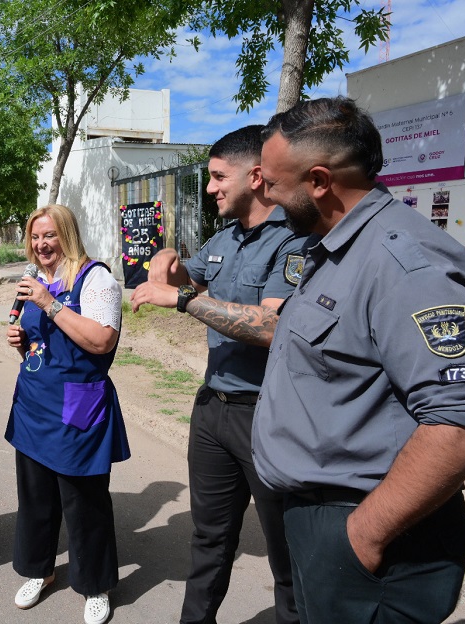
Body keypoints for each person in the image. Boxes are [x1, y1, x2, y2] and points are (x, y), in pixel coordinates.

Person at [252, 96, 465, 622]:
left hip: (371, 533)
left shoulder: (403, 261)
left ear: (319, 181)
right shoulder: (336, 247)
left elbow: (464, 418)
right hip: (323, 517)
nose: (266, 197)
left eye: (272, 184)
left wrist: (362, 537)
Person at [130, 126, 313, 624]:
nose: (210, 187)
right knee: (209, 539)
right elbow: (187, 276)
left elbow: (272, 326)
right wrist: (167, 259)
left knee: (286, 554)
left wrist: (184, 300)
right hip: (213, 410)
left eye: (217, 177)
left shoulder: (295, 240)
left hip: (268, 418)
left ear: (255, 176)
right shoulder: (225, 236)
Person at [5, 204, 129, 624]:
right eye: (35, 236)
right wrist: (22, 342)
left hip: (77, 407)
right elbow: (45, 347)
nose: (41, 244)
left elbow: (101, 341)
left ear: (68, 235)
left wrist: (48, 303)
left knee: (84, 503)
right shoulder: (36, 279)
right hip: (33, 404)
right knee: (35, 498)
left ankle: (95, 585)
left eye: (50, 235)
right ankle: (39, 571)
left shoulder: (96, 278)